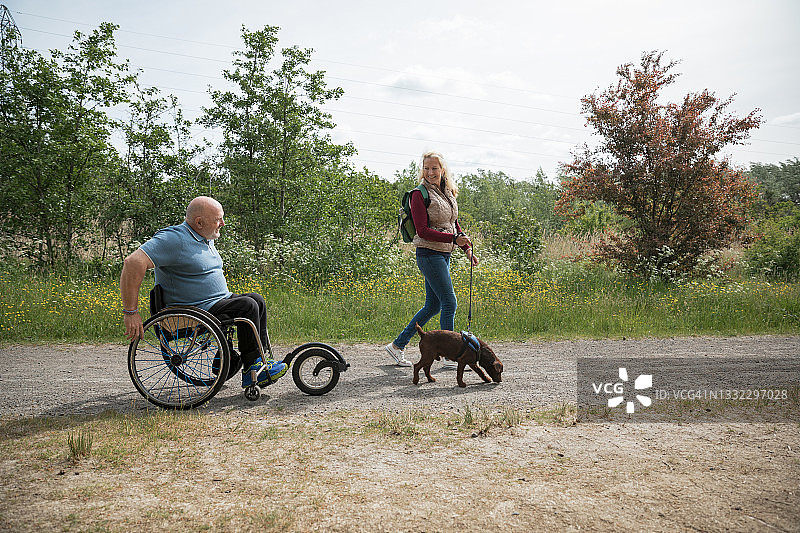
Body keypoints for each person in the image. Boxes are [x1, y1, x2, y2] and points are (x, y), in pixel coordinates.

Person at [120, 196, 287, 387]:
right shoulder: (173, 239)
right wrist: (130, 312)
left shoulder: (204, 236)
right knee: (247, 306)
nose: (223, 224)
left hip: (215, 302)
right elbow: (133, 263)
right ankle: (252, 368)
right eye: (218, 219)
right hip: (193, 310)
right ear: (199, 222)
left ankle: (260, 360)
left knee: (256, 300)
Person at [385, 151, 479, 366]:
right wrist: (454, 239)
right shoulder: (419, 194)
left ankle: (397, 346)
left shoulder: (447, 192)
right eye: (426, 168)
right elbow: (423, 231)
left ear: (442, 169)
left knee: (433, 306)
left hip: (443, 254)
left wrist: (467, 249)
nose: (430, 172)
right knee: (449, 302)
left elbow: (453, 223)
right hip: (429, 254)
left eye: (434, 168)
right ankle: (449, 354)